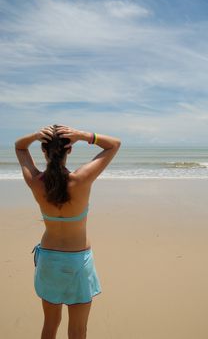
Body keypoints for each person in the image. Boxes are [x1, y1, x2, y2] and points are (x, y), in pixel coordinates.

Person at [15, 125, 121, 339]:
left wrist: (35, 135)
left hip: (49, 261)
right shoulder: (81, 179)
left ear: (44, 150)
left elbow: (19, 148)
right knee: (78, 331)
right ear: (69, 149)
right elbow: (114, 145)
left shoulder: (36, 183)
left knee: (50, 325)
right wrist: (84, 136)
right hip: (78, 262)